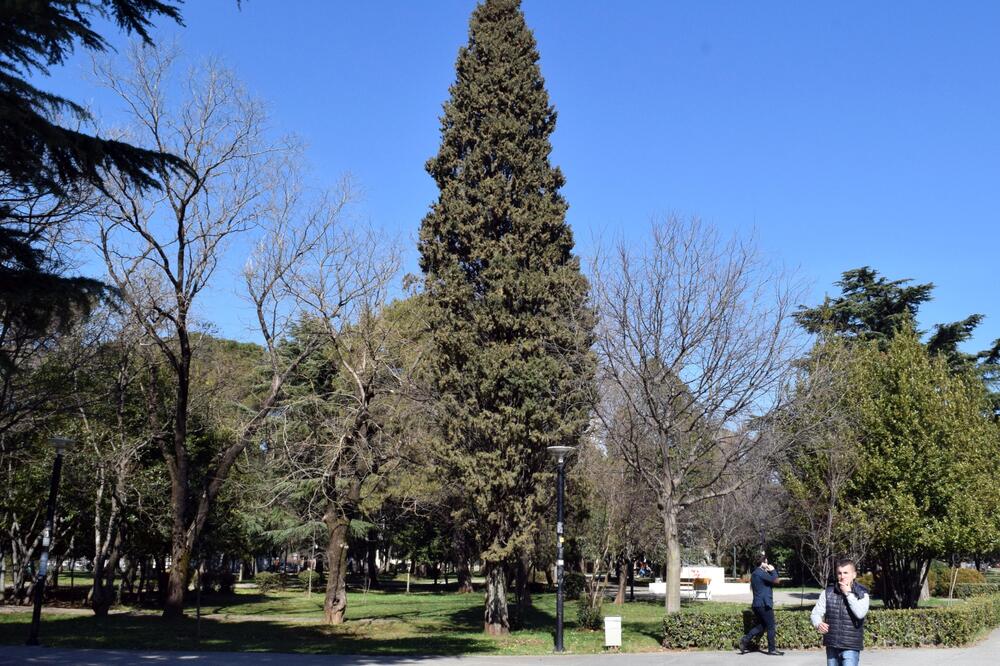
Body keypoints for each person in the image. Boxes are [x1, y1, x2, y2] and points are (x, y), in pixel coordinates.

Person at [811, 558, 870, 666]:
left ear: (854, 575)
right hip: (832, 645)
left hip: (850, 646)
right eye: (839, 573)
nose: (842, 576)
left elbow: (860, 613)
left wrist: (848, 594)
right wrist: (818, 623)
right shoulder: (827, 592)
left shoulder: (862, 593)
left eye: (846, 573)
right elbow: (815, 613)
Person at [739, 553, 783, 656]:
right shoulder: (761, 573)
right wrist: (772, 570)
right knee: (771, 626)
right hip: (764, 604)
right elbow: (776, 581)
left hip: (757, 605)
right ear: (762, 563)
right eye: (766, 562)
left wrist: (768, 572)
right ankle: (772, 650)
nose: (768, 564)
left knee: (762, 626)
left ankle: (745, 640)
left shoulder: (755, 573)